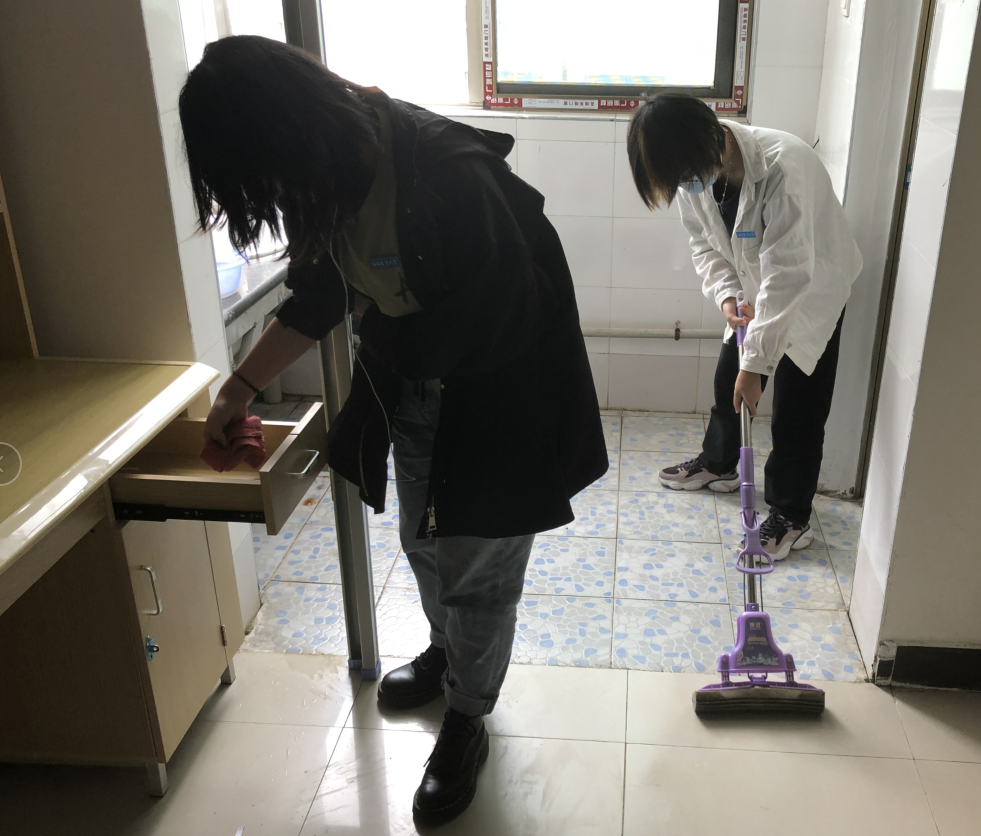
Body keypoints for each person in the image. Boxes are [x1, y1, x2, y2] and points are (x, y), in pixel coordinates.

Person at [179, 36, 607, 825]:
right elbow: (318, 296)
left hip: (501, 397)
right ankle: (447, 655)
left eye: (264, 173)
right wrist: (238, 389)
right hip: (414, 385)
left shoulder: (444, 172)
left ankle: (468, 718)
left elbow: (506, 314)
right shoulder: (320, 176)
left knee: (477, 573)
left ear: (291, 132)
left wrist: (386, 333)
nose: (271, 192)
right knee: (423, 542)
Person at [627, 94, 862, 560]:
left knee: (797, 410)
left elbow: (790, 274)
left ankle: (791, 516)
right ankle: (719, 465)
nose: (686, 185)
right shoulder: (695, 173)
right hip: (757, 286)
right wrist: (728, 295)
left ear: (713, 136)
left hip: (812, 290)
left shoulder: (783, 169)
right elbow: (704, 245)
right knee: (727, 384)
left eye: (686, 174)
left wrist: (755, 366)